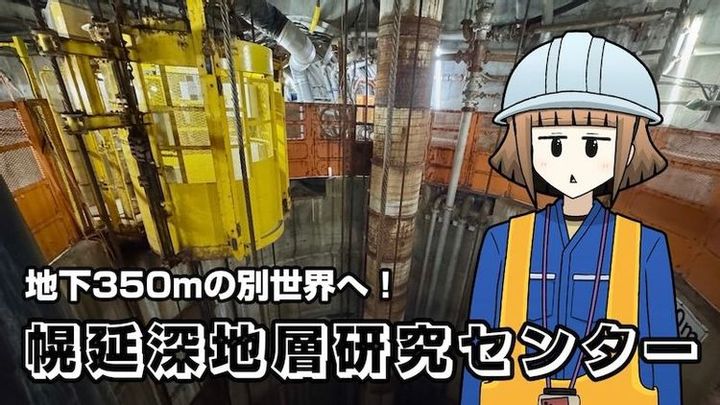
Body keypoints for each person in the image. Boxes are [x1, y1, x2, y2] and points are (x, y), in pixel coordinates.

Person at [461, 32, 681, 405]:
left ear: (629, 152)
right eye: (555, 144)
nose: (574, 163)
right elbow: (481, 345)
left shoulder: (646, 248)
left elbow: (662, 352)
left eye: (594, 144)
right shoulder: (503, 242)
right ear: (526, 148)